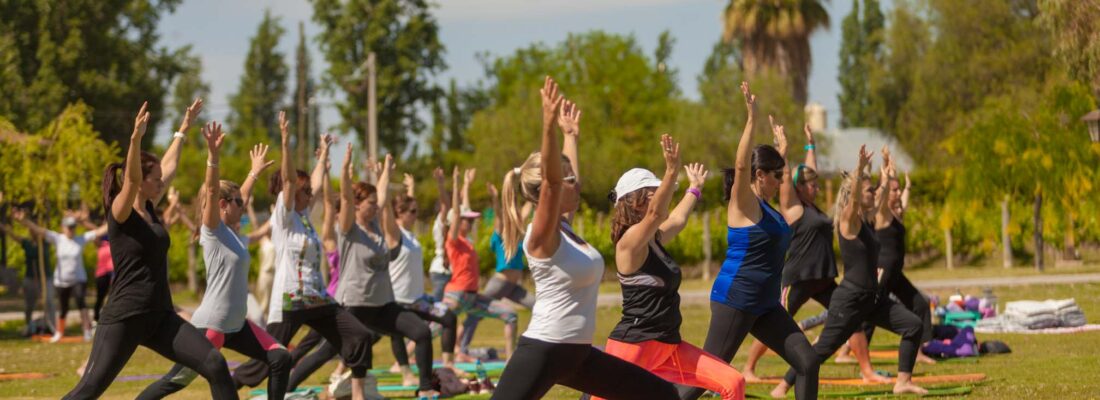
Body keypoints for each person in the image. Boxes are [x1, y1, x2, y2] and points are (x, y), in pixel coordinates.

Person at [490, 76, 679, 400]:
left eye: (574, 178)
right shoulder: (541, 235)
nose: (576, 184)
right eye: (569, 181)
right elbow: (552, 182)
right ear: (546, 192)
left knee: (663, 396)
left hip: (577, 354)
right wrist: (548, 128)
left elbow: (562, 177)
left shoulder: (567, 229)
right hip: (545, 349)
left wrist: (570, 137)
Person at [63, 99, 239, 399]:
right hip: (124, 317)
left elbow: (168, 166)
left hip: (160, 316)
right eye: (155, 180)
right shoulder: (121, 211)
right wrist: (136, 138)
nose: (162, 183)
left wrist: (182, 130)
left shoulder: (149, 207)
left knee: (214, 363)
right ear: (141, 182)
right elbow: (131, 178)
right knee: (88, 390)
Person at [681, 82, 819, 400]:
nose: (782, 182)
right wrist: (750, 119)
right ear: (760, 176)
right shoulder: (743, 203)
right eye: (777, 176)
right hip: (736, 300)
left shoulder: (767, 208)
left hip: (766, 304)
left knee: (807, 362)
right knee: (699, 384)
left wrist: (781, 148)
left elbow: (767, 167)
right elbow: (744, 164)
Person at [136, 124, 291, 400]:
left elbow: (238, 194)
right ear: (222, 204)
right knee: (175, 382)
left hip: (238, 325)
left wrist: (254, 173)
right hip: (212, 326)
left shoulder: (232, 233)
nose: (243, 206)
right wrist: (213, 157)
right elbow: (211, 191)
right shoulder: (213, 232)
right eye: (238, 203)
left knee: (280, 357)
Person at [231, 114, 376, 400]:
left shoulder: (304, 216)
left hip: (317, 298)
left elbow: (318, 184)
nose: (311, 195)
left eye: (309, 191)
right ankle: (227, 386)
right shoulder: (283, 217)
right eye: (305, 191)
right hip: (290, 301)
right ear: (292, 194)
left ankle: (358, 394)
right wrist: (285, 143)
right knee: (267, 359)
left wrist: (323, 156)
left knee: (358, 335)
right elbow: (288, 180)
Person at [596, 135, 746, 400]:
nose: (663, 199)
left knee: (733, 382)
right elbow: (656, 213)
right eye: (655, 193)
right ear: (637, 201)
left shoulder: (654, 239)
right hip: (634, 346)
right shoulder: (628, 245)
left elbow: (677, 217)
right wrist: (671, 170)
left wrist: (695, 189)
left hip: (669, 346)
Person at [769, 146, 927, 397]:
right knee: (822, 349)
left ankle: (903, 381)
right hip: (850, 300)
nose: (872, 193)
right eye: (868, 190)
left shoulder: (866, 218)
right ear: (855, 193)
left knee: (913, 325)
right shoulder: (848, 218)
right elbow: (854, 199)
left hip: (872, 299)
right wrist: (860, 170)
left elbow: (880, 198)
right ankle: (783, 385)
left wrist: (885, 175)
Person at [286, 149, 441, 399]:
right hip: (353, 304)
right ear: (358, 205)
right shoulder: (349, 228)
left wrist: (385, 175)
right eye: (370, 204)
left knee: (421, 333)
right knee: (326, 352)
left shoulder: (377, 226)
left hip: (382, 305)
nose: (376, 207)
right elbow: (345, 199)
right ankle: (287, 387)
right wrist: (345, 168)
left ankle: (424, 388)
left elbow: (379, 197)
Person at [740, 122, 884, 383]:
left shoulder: (813, 208)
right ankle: (748, 368)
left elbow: (809, 171)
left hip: (823, 277)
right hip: (798, 278)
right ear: (799, 188)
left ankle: (867, 371)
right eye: (812, 186)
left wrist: (810, 144)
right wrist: (781, 150)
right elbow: (786, 175)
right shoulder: (793, 206)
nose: (817, 189)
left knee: (852, 319)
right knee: (776, 321)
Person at [386, 172, 461, 385]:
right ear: (398, 214)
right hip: (398, 300)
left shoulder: (410, 234)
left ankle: (448, 365)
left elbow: (407, 205)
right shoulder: (394, 233)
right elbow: (387, 209)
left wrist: (410, 188)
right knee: (396, 334)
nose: (416, 214)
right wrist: (381, 177)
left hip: (418, 300)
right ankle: (406, 374)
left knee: (449, 317)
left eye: (416, 210)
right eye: (412, 212)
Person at [865, 147, 936, 365]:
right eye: (893, 190)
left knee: (921, 305)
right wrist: (886, 168)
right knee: (869, 311)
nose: (896, 193)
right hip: (883, 270)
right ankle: (852, 350)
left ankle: (919, 351)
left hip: (896, 273)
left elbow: (903, 198)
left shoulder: (897, 212)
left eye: (898, 190)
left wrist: (909, 187)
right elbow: (884, 191)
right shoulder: (883, 214)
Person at [443, 167, 519, 359]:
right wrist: (455, 184)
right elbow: (459, 214)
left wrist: (467, 185)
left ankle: (510, 360)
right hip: (456, 295)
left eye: (471, 222)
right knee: (429, 329)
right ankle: (404, 358)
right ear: (457, 222)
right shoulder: (453, 240)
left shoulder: (467, 241)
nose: (470, 224)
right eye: (466, 221)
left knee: (510, 315)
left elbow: (465, 211)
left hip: (472, 298)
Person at [12, 207, 107, 342]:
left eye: (73, 227)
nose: (71, 230)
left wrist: (116, 217)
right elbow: (39, 230)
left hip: (78, 279)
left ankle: (86, 331)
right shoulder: (58, 239)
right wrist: (24, 221)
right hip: (61, 281)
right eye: (68, 227)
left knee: (82, 304)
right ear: (63, 227)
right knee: (63, 309)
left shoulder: (80, 239)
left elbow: (99, 231)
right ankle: (59, 332)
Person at [0, 211, 57, 337]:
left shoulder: (45, 243)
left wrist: (25, 221)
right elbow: (14, 236)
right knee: (29, 305)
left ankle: (53, 327)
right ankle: (28, 326)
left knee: (49, 302)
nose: (33, 231)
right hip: (30, 278)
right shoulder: (27, 243)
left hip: (45, 277)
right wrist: (4, 227)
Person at [93, 234, 113, 322]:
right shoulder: (101, 241)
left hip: (113, 272)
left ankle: (110, 318)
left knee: (112, 296)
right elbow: (95, 235)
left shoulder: (114, 240)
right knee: (100, 297)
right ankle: (96, 318)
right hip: (101, 273)